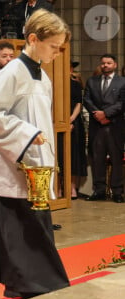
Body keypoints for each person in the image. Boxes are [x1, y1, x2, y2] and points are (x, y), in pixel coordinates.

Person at [0, 9, 70, 299]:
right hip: (8, 167)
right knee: (24, 230)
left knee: (12, 230)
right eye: (53, 46)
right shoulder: (11, 73)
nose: (57, 52)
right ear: (33, 39)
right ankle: (36, 284)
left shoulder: (43, 76)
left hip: (32, 165)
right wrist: (25, 134)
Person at [83, 54, 125, 203]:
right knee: (97, 159)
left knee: (116, 160)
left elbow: (122, 103)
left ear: (115, 64)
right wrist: (97, 114)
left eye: (108, 63)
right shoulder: (92, 81)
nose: (105, 65)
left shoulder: (122, 82)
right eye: (103, 63)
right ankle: (99, 191)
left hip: (114, 125)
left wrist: (106, 114)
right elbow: (86, 99)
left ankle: (117, 192)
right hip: (97, 126)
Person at [69, 61, 87, 199]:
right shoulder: (52, 83)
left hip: (74, 123)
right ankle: (58, 188)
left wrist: (71, 119)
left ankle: (72, 187)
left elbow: (78, 103)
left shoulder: (75, 84)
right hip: (57, 123)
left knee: (74, 155)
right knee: (60, 157)